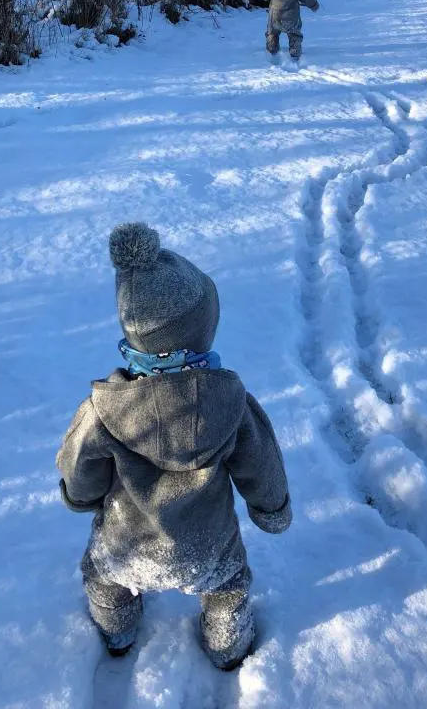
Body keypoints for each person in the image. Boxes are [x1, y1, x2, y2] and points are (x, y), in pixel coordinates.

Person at [56, 222, 292, 671]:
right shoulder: (232, 404)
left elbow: (79, 464)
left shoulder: (104, 410)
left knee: (103, 577)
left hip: (127, 545)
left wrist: (81, 497)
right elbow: (262, 464)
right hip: (208, 545)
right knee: (228, 587)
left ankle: (117, 631)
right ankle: (228, 648)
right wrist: (272, 509)